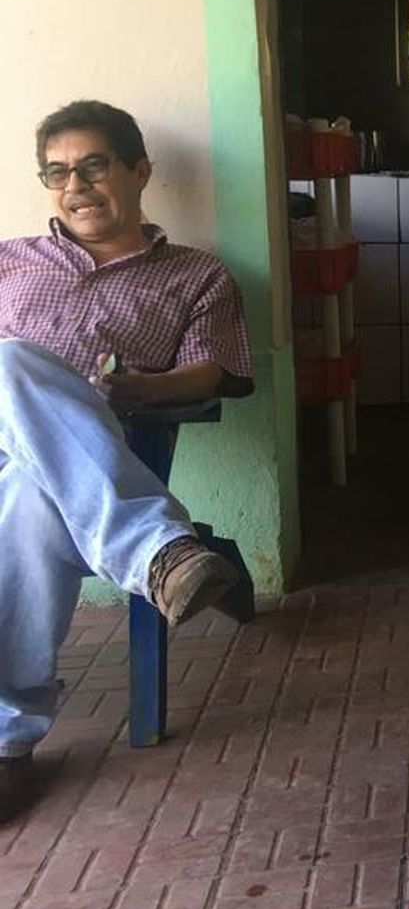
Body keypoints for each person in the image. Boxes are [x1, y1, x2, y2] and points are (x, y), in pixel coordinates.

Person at [0, 100, 252, 824]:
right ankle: (155, 550)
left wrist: (147, 387)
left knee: (29, 497)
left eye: (93, 166)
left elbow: (214, 370)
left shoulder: (195, 275)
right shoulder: (9, 259)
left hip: (65, 468)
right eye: (57, 172)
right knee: (10, 362)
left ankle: (5, 745)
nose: (75, 186)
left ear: (140, 171)